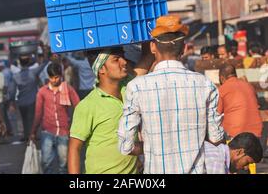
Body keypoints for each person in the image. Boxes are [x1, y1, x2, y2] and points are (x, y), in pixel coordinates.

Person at [118, 15, 224, 174]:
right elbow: (216, 138)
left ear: (153, 47)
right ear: (184, 48)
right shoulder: (205, 85)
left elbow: (125, 145)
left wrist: (151, 146)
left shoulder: (137, 87)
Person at [68, 44, 153, 174]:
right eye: (116, 59)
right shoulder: (88, 105)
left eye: (123, 57)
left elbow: (148, 56)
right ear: (101, 68)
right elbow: (74, 148)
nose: (124, 62)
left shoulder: (129, 88)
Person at [29, 62, 80, 174]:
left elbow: (78, 106)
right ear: (48, 77)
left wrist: (75, 126)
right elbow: (38, 113)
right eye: (51, 77)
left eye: (56, 77)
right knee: (46, 163)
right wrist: (33, 132)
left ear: (61, 75)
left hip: (63, 131)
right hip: (47, 131)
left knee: (64, 164)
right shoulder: (42, 92)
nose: (54, 80)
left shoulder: (68, 89)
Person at [218, 64, 263, 139]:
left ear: (222, 78)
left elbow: (216, 114)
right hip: (257, 132)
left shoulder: (222, 89)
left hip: (235, 133)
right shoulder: (249, 86)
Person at [10, 54, 47, 141]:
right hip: (32, 100)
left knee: (24, 119)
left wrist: (12, 101)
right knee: (31, 119)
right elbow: (44, 64)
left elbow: (12, 91)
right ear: (29, 62)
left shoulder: (16, 76)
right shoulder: (33, 72)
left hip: (21, 101)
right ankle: (32, 135)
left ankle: (27, 135)